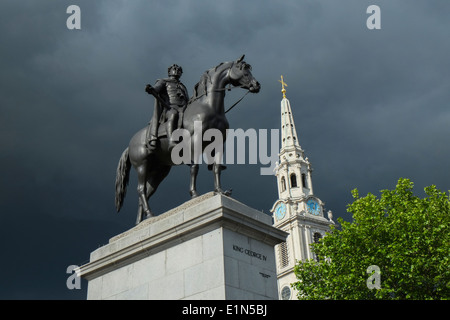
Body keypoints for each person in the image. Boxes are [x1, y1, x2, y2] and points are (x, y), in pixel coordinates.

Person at [145, 64, 189, 149]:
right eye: (174, 69)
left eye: (179, 70)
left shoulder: (183, 86)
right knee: (173, 114)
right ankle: (171, 141)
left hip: (183, 108)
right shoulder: (163, 81)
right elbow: (156, 88)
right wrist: (151, 89)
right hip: (170, 108)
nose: (176, 71)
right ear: (169, 72)